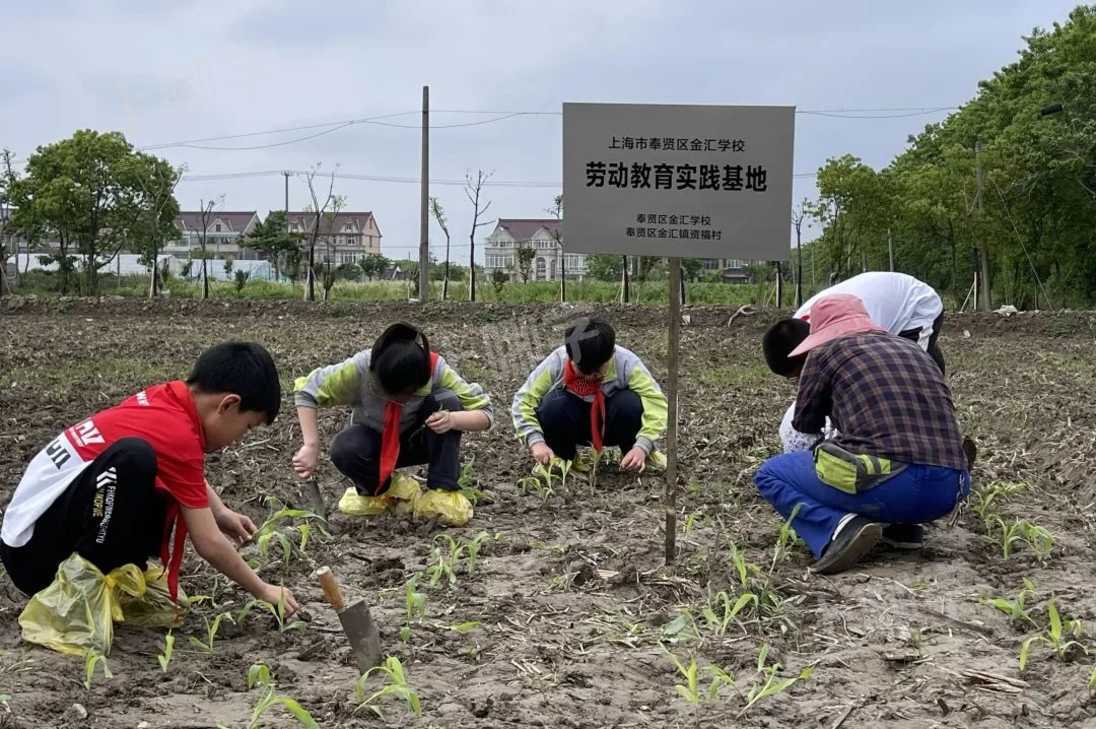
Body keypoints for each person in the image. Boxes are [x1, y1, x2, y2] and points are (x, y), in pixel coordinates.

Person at [0, 342, 298, 613]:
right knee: (134, 460)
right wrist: (263, 590)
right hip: (33, 558)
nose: (238, 441)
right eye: (247, 427)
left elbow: (181, 469)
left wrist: (219, 511)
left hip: (37, 534)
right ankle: (82, 591)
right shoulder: (176, 433)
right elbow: (207, 542)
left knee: (145, 469)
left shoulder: (168, 398)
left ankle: (115, 575)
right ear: (228, 404)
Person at [754, 295, 971, 573]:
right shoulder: (914, 349)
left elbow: (805, 429)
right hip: (951, 487)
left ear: (820, 332)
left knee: (772, 473)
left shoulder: (823, 354)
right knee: (885, 444)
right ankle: (903, 531)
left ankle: (837, 529)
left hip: (896, 485)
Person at [292, 322, 491, 526]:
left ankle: (441, 493)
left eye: (408, 395)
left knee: (448, 402)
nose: (400, 402)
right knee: (345, 448)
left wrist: (453, 420)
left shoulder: (434, 368)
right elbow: (306, 391)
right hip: (374, 448)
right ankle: (386, 492)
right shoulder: (361, 368)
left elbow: (485, 414)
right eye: (390, 395)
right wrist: (311, 445)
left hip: (418, 441)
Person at [763, 272, 945, 453]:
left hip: (913, 306)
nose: (803, 380)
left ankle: (925, 446)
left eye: (800, 374)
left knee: (906, 380)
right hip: (880, 303)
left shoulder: (849, 337)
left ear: (807, 355)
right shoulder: (796, 330)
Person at [511, 316, 667, 473]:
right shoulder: (558, 361)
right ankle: (562, 458)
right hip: (573, 425)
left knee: (630, 403)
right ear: (571, 358)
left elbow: (656, 402)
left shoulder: (626, 363)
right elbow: (523, 400)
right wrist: (536, 441)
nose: (589, 377)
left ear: (611, 354)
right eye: (583, 370)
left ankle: (635, 456)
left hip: (611, 425)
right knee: (553, 405)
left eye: (597, 371)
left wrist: (643, 446)